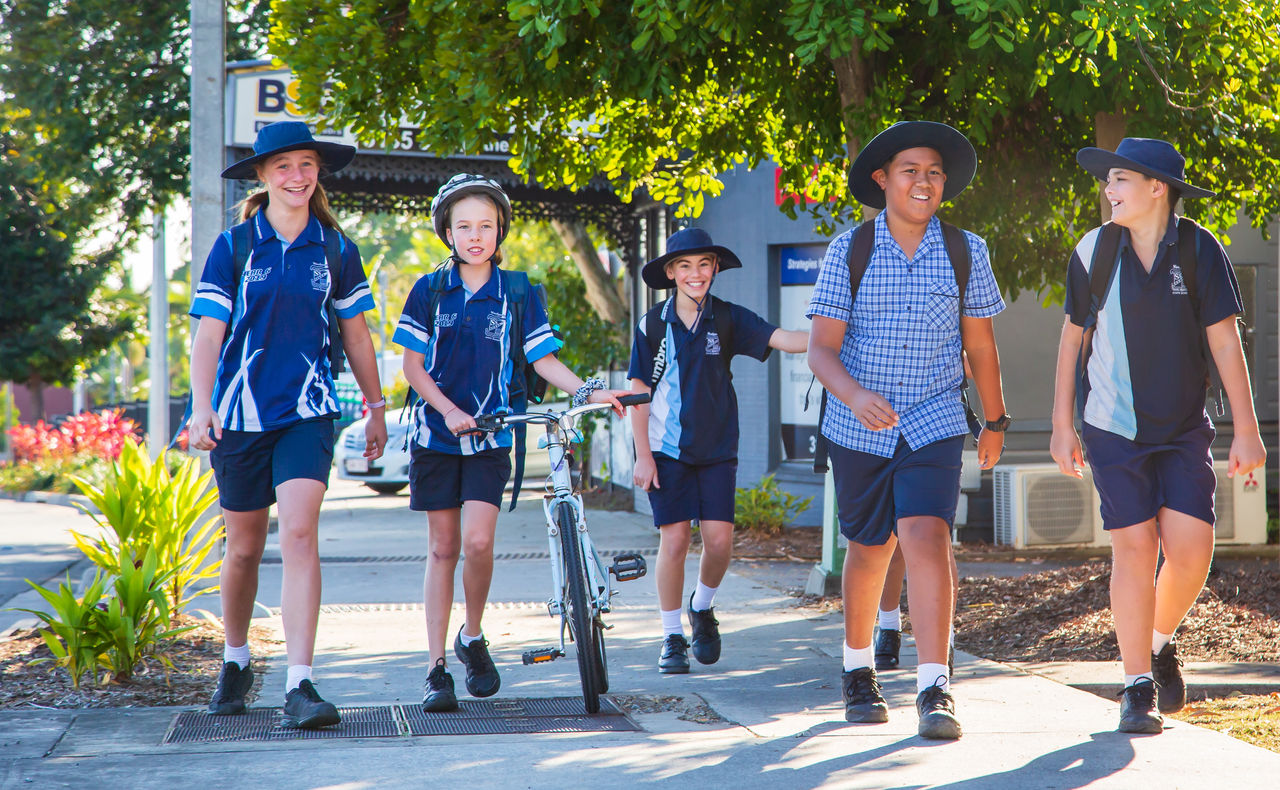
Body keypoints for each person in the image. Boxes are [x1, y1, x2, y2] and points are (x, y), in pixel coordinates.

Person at [1049, 138, 1265, 734]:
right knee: (1136, 549)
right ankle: (1135, 684)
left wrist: (1246, 429)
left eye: (1120, 179)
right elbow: (1073, 341)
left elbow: (1225, 342)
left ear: (1156, 189)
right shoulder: (1093, 251)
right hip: (1112, 427)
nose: (1108, 190)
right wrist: (1062, 423)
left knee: (1193, 555)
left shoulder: (1200, 249)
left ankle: (1158, 640)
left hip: (1183, 429)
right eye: (1108, 179)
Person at [394, 174, 632, 713]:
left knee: (478, 545)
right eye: (463, 226)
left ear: (499, 231)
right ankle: (436, 669)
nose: (475, 235)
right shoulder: (428, 291)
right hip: (436, 437)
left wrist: (592, 391)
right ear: (447, 233)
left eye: (485, 225)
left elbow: (542, 360)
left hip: (493, 438)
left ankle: (472, 636)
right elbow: (412, 367)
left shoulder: (519, 291)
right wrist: (451, 411)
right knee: (442, 548)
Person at [807, 121, 1009, 740]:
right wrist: (857, 395)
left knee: (927, 535)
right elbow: (821, 351)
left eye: (934, 172)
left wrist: (996, 419)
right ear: (882, 180)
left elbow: (980, 343)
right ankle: (858, 669)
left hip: (936, 417)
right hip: (857, 424)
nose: (924, 182)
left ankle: (933, 685)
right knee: (870, 549)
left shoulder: (966, 249)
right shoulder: (851, 249)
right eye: (910, 170)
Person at [189, 121, 388, 729]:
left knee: (300, 535)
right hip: (240, 416)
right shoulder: (234, 246)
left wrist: (377, 408)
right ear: (262, 176)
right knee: (245, 547)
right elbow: (208, 334)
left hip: (309, 410)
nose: (297, 176)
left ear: (317, 172)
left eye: (306, 164)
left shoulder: (336, 249)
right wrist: (202, 406)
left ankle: (301, 682)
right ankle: (236, 658)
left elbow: (356, 333)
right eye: (283, 166)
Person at [628, 228, 808, 674]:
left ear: (715, 269)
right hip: (666, 451)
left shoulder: (727, 319)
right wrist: (643, 454)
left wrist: (835, 332)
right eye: (685, 266)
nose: (695, 273)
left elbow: (784, 338)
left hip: (717, 450)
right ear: (670, 273)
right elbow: (638, 393)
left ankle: (702, 607)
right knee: (674, 540)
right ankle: (671, 636)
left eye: (704, 264)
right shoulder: (652, 325)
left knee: (721, 542)